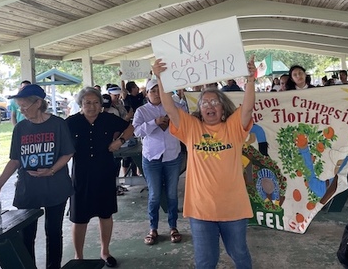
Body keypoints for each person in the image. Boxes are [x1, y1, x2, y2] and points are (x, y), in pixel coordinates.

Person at [152, 56, 256, 269]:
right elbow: (170, 108)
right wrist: (160, 79)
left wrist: (251, 80)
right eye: (205, 103)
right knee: (205, 262)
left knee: (240, 255)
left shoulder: (234, 127)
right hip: (201, 210)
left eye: (215, 102)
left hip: (234, 209)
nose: (210, 106)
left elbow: (246, 109)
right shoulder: (191, 128)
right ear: (199, 109)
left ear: (223, 108)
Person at [0, 84, 74, 269]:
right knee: (26, 235)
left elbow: (67, 153)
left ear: (38, 103)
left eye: (24, 106)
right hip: (28, 188)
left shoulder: (58, 124)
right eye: (19, 107)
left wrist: (50, 170)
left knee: (54, 231)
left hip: (55, 186)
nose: (21, 111)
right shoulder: (21, 128)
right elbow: (15, 160)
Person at [66, 87, 134, 268]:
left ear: (101, 104)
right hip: (81, 176)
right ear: (81, 104)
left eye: (96, 102)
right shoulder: (71, 122)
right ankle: (78, 257)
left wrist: (119, 141)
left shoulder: (108, 119)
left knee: (106, 214)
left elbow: (130, 127)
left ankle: (105, 251)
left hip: (105, 173)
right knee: (79, 218)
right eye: (87, 102)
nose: (92, 106)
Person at [132, 79, 186, 246]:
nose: (156, 93)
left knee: (171, 194)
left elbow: (186, 116)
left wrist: (184, 98)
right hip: (151, 158)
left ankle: (173, 227)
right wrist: (153, 122)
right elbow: (136, 131)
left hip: (172, 156)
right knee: (154, 195)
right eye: (152, 91)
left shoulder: (174, 106)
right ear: (146, 94)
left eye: (159, 90)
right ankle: (153, 228)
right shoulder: (142, 111)